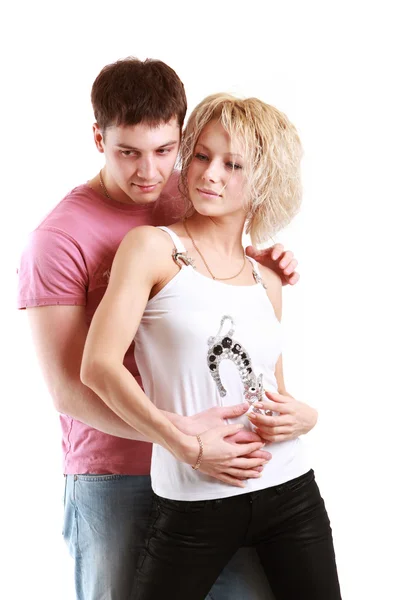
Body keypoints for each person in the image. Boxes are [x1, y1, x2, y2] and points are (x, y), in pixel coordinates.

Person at [17, 58, 314, 600]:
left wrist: (262, 261)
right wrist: (178, 439)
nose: (149, 173)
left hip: (218, 465)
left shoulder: (184, 192)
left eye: (165, 151)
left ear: (182, 134)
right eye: (128, 152)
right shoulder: (57, 240)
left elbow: (217, 286)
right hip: (116, 474)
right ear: (98, 138)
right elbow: (67, 388)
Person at [81, 92, 340, 600]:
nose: (209, 174)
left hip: (290, 490)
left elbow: (270, 389)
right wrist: (187, 447)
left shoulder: (266, 276)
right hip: (193, 498)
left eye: (233, 164)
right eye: (200, 155)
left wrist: (306, 418)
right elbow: (98, 367)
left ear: (263, 179)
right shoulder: (153, 249)